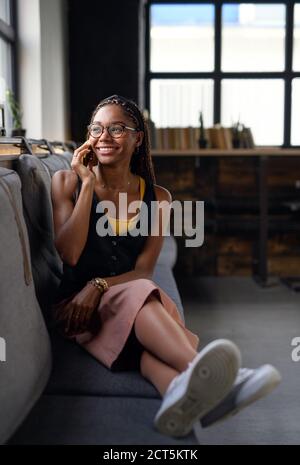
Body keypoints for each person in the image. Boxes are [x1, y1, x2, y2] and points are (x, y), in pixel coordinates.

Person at [51, 94, 281, 438]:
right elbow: (69, 254)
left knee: (145, 344)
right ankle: (225, 380)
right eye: (96, 128)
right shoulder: (66, 183)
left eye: (117, 128)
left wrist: (98, 285)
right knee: (145, 297)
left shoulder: (158, 199)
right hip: (78, 313)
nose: (104, 137)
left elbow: (143, 270)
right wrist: (87, 185)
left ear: (137, 138)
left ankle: (181, 395)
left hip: (125, 301)